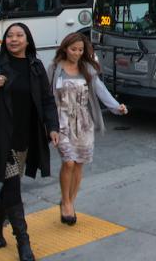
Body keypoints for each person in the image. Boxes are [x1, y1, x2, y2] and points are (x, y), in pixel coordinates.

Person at [0, 23, 59, 261]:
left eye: (19, 35)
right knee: (13, 185)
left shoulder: (36, 67)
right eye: (10, 36)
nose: (14, 39)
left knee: (11, 182)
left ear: (28, 41)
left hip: (24, 137)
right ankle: (23, 241)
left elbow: (47, 101)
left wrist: (53, 127)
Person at [47, 33, 127, 225]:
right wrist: (49, 125)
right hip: (62, 120)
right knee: (69, 162)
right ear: (65, 48)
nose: (76, 53)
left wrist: (116, 107)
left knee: (79, 162)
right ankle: (65, 202)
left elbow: (101, 91)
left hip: (83, 122)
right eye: (73, 49)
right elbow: (47, 97)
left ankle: (71, 202)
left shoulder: (87, 68)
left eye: (80, 50)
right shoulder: (54, 69)